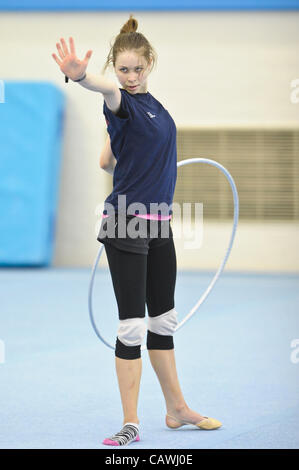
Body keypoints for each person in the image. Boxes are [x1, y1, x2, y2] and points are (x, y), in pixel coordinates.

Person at [52, 14, 222, 447]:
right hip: (127, 221)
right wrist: (82, 77)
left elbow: (106, 162)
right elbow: (106, 91)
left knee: (164, 320)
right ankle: (131, 422)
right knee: (131, 326)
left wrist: (118, 147)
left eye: (137, 69)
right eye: (122, 70)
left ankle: (176, 409)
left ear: (150, 64)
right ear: (115, 68)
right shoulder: (119, 98)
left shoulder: (156, 108)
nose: (129, 77)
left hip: (160, 225)